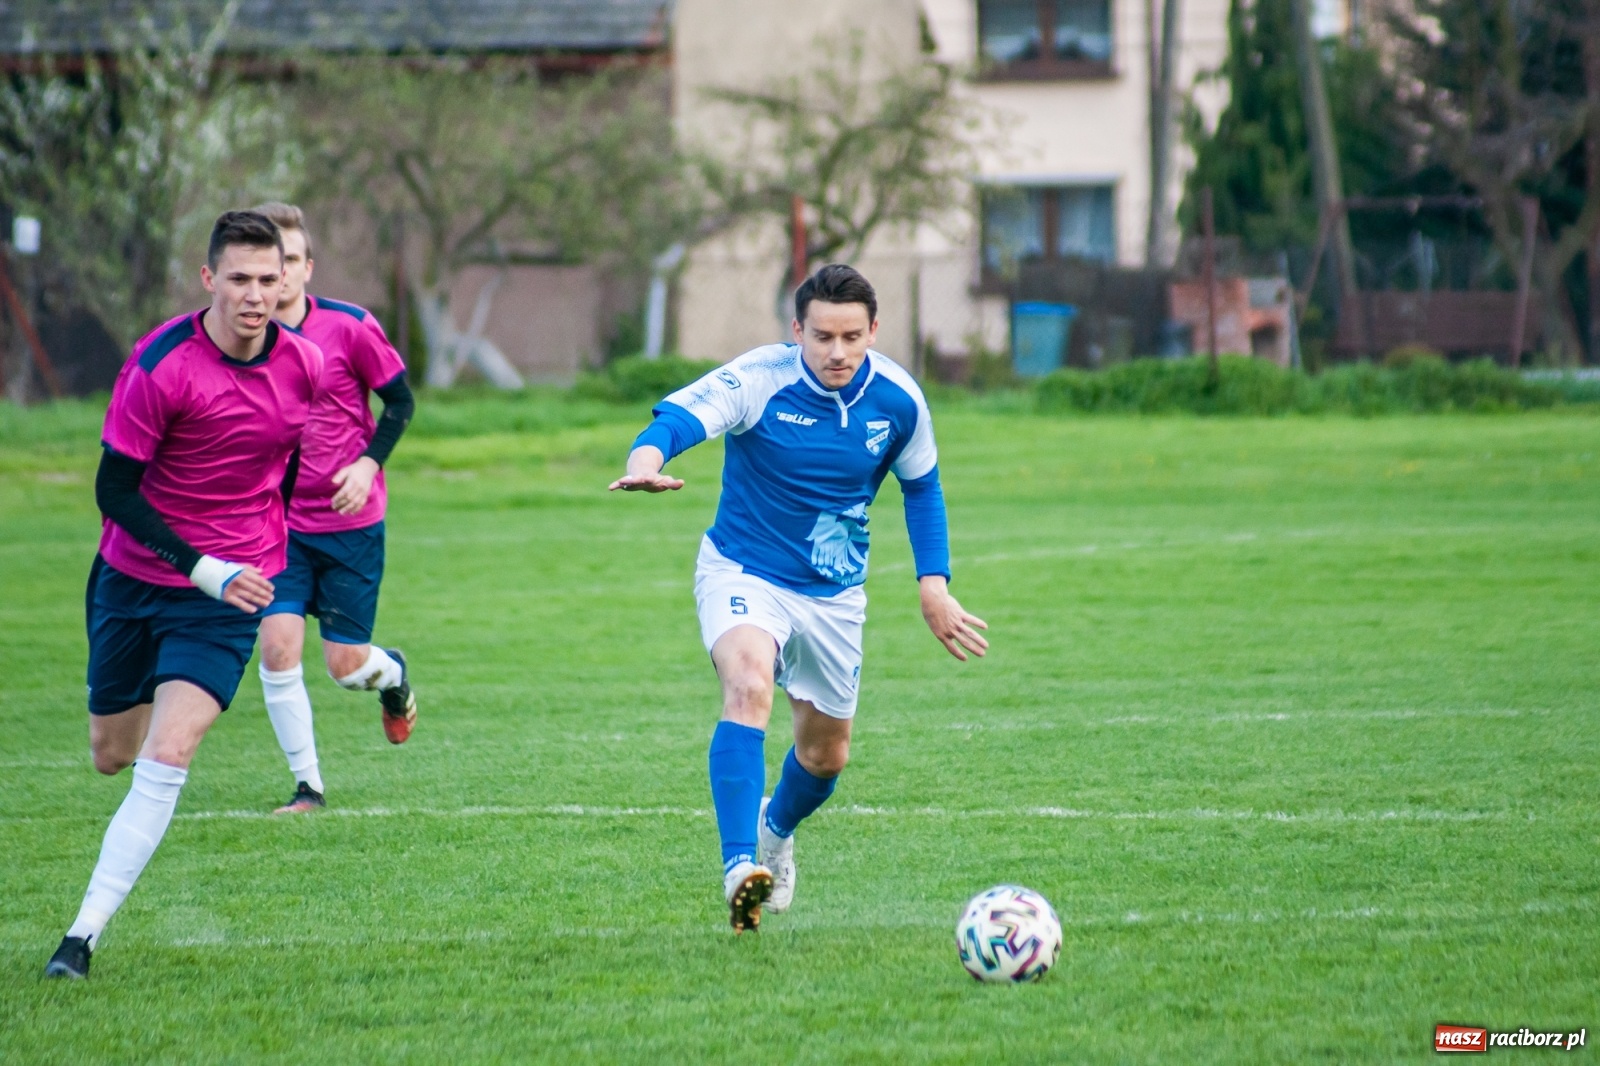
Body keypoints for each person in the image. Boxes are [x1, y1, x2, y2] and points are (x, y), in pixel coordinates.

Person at [609, 264, 989, 933]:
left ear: (873, 329)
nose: (836, 352)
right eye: (822, 337)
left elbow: (922, 487)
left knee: (824, 756)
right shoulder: (762, 378)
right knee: (749, 686)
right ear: (797, 331)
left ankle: (775, 832)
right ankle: (738, 869)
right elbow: (680, 418)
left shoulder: (899, 399)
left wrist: (935, 583)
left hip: (834, 595)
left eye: (850, 336)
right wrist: (647, 461)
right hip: (743, 570)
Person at [45, 211, 324, 978]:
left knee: (170, 752)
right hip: (135, 581)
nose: (256, 294)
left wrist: (250, 557)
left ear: (289, 281)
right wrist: (204, 563)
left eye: (270, 279)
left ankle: (81, 937)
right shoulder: (160, 364)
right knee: (114, 754)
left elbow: (286, 467)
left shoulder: (304, 364)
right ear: (209, 280)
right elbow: (114, 491)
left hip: (231, 594)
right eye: (240, 278)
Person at [250, 202, 417, 815]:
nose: (279, 274)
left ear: (307, 267)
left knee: (346, 667)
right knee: (277, 647)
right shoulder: (242, 341)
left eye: (289, 260)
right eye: (268, 263)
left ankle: (393, 677)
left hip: (351, 523)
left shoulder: (349, 327)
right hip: (277, 527)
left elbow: (400, 403)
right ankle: (308, 789)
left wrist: (369, 462)